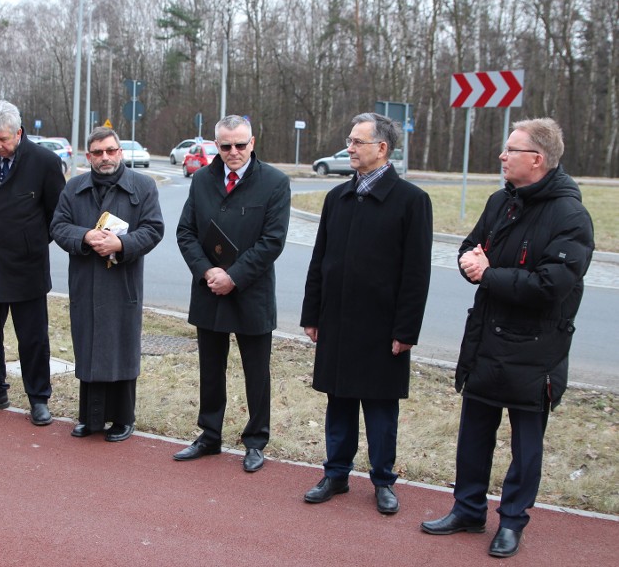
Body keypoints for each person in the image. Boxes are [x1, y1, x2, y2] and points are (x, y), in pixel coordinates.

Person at [420, 118, 594, 558]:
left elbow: (550, 286)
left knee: (525, 443)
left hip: (536, 351)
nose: (501, 156)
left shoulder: (570, 216)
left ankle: (512, 521)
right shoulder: (502, 202)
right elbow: (469, 248)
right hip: (485, 341)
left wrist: (488, 272)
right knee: (473, 433)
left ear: (536, 160)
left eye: (510, 150)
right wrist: (472, 264)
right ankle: (467, 508)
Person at [300, 112, 433, 514]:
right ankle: (336, 474)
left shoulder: (412, 201)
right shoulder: (336, 196)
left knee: (380, 408)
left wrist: (406, 330)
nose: (350, 148)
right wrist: (312, 314)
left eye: (357, 142)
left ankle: (383, 481)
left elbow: (416, 274)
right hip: (337, 321)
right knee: (338, 402)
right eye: (350, 140)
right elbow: (320, 259)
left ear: (382, 148)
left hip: (382, 327)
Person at [175, 115, 290, 472]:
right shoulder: (202, 180)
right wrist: (207, 271)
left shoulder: (274, 182)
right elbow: (186, 232)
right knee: (211, 369)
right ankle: (209, 435)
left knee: (256, 373)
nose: (234, 152)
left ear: (252, 143)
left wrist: (234, 277)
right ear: (216, 146)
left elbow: (272, 242)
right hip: (209, 289)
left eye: (240, 144)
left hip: (251, 293)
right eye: (226, 146)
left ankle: (256, 441)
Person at [51, 127, 163, 441]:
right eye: (98, 152)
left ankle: (124, 419)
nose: (105, 158)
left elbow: (154, 229)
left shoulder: (142, 186)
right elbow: (58, 226)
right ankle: (91, 418)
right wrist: (84, 236)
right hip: (86, 281)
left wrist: (121, 245)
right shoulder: (74, 188)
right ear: (89, 156)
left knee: (122, 348)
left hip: (122, 282)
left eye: (110, 151)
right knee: (88, 348)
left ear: (120, 152)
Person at [0, 100, 66, 426]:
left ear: (19, 133)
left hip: (27, 266)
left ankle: (39, 398)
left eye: (3, 140)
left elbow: (57, 215)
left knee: (33, 337)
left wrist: (30, 243)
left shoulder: (45, 162)